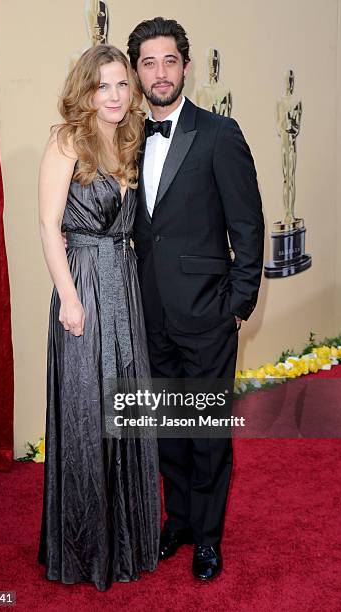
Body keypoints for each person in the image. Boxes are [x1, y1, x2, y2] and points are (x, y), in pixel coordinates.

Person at [127, 17, 265, 581]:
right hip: (147, 312)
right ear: (137, 72)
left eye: (168, 60)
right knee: (166, 429)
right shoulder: (127, 137)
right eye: (148, 62)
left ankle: (208, 538)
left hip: (208, 312)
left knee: (207, 433)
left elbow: (249, 224)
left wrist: (238, 302)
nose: (159, 72)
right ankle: (178, 520)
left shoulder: (219, 134)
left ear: (185, 65)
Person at [37, 44, 160, 592]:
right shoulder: (68, 139)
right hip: (83, 284)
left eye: (121, 85)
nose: (114, 95)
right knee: (88, 413)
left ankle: (128, 540)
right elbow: (47, 224)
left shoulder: (129, 139)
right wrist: (68, 295)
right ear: (86, 91)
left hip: (123, 285)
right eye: (102, 86)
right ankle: (86, 547)